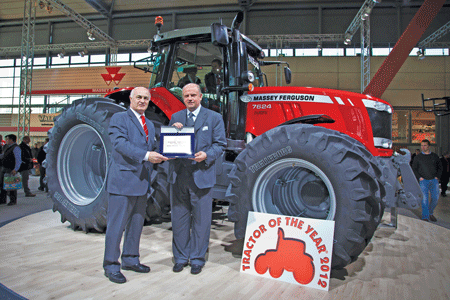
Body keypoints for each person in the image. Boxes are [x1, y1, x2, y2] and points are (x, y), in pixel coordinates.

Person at [103, 87, 168, 284]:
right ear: (131, 99)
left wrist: (174, 140)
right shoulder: (119, 119)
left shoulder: (147, 122)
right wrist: (147, 156)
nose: (142, 101)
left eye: (146, 98)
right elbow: (120, 144)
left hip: (141, 182)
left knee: (136, 224)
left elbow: (153, 148)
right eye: (138, 97)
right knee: (116, 226)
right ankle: (111, 265)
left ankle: (131, 259)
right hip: (123, 182)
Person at [168, 83, 226, 275]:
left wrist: (206, 155)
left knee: (201, 221)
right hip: (179, 176)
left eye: (193, 95)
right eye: (186, 96)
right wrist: (173, 131)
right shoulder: (176, 118)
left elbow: (220, 144)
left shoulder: (214, 117)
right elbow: (168, 144)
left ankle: (197, 259)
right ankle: (181, 258)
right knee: (179, 220)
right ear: (183, 98)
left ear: (201, 96)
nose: (190, 98)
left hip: (202, 175)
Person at [412, 139, 442, 222]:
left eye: (424, 145)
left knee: (435, 198)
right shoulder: (418, 157)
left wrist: (437, 177)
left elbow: (440, 167)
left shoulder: (434, 156)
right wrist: (419, 177)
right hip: (423, 181)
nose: (422, 147)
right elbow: (414, 169)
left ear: (429, 146)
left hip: (434, 180)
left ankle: (430, 212)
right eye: (421, 145)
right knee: (424, 199)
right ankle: (425, 216)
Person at [0, 134, 22, 206]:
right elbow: (3, 156)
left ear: (11, 140)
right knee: (2, 185)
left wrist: (15, 169)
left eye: (7, 139)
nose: (6, 141)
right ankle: (3, 199)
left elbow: (18, 160)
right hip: (5, 168)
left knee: (12, 185)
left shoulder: (16, 148)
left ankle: (13, 200)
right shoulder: (7, 147)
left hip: (11, 169)